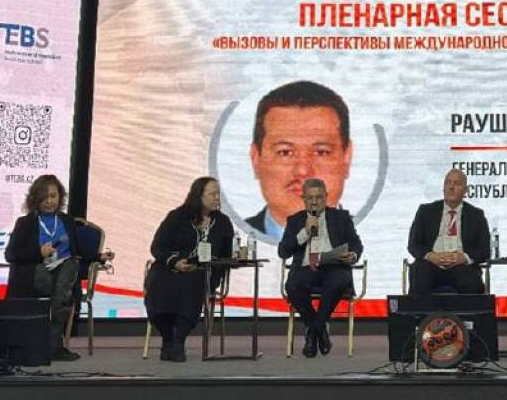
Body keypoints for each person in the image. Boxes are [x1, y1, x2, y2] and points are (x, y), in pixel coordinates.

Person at [5, 174, 114, 361]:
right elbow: (11, 254)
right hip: (36, 275)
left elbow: (77, 252)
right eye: (44, 197)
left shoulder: (66, 221)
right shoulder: (25, 223)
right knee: (65, 283)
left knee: (69, 264)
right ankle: (55, 345)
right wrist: (39, 252)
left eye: (53, 196)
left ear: (60, 197)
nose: (50, 201)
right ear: (35, 199)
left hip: (63, 274)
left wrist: (99, 257)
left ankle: (53, 340)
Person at [246, 80, 353, 244]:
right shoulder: (226, 239)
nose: (303, 170)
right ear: (256, 159)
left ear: (347, 158)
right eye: (285, 152)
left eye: (321, 152)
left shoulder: (380, 241)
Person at [144, 177, 234, 362]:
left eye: (218, 194)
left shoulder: (223, 222)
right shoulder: (177, 217)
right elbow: (157, 247)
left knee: (193, 282)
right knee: (158, 285)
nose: (217, 198)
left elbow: (227, 255)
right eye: (213, 194)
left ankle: (178, 341)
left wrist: (214, 265)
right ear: (199, 195)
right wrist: (175, 262)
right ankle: (168, 339)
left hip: (203, 272)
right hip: (170, 267)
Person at [278, 178, 363, 358]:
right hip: (306, 269)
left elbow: (356, 243)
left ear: (326, 197)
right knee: (293, 286)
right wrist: (305, 233)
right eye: (310, 198)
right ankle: (319, 328)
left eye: (318, 197)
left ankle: (312, 331)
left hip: (334, 267)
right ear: (303, 199)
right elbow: (283, 252)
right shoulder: (295, 220)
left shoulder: (341, 218)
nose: (314, 202)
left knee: (338, 281)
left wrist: (353, 255)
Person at [407, 168, 491, 295]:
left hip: (461, 267)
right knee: (420, 271)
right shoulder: (426, 211)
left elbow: (485, 251)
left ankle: (466, 310)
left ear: (465, 190)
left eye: (456, 183)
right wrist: (431, 256)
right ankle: (420, 310)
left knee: (470, 280)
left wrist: (464, 257)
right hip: (431, 265)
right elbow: (413, 245)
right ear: (443, 188)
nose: (451, 187)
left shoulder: (476, 215)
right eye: (448, 182)